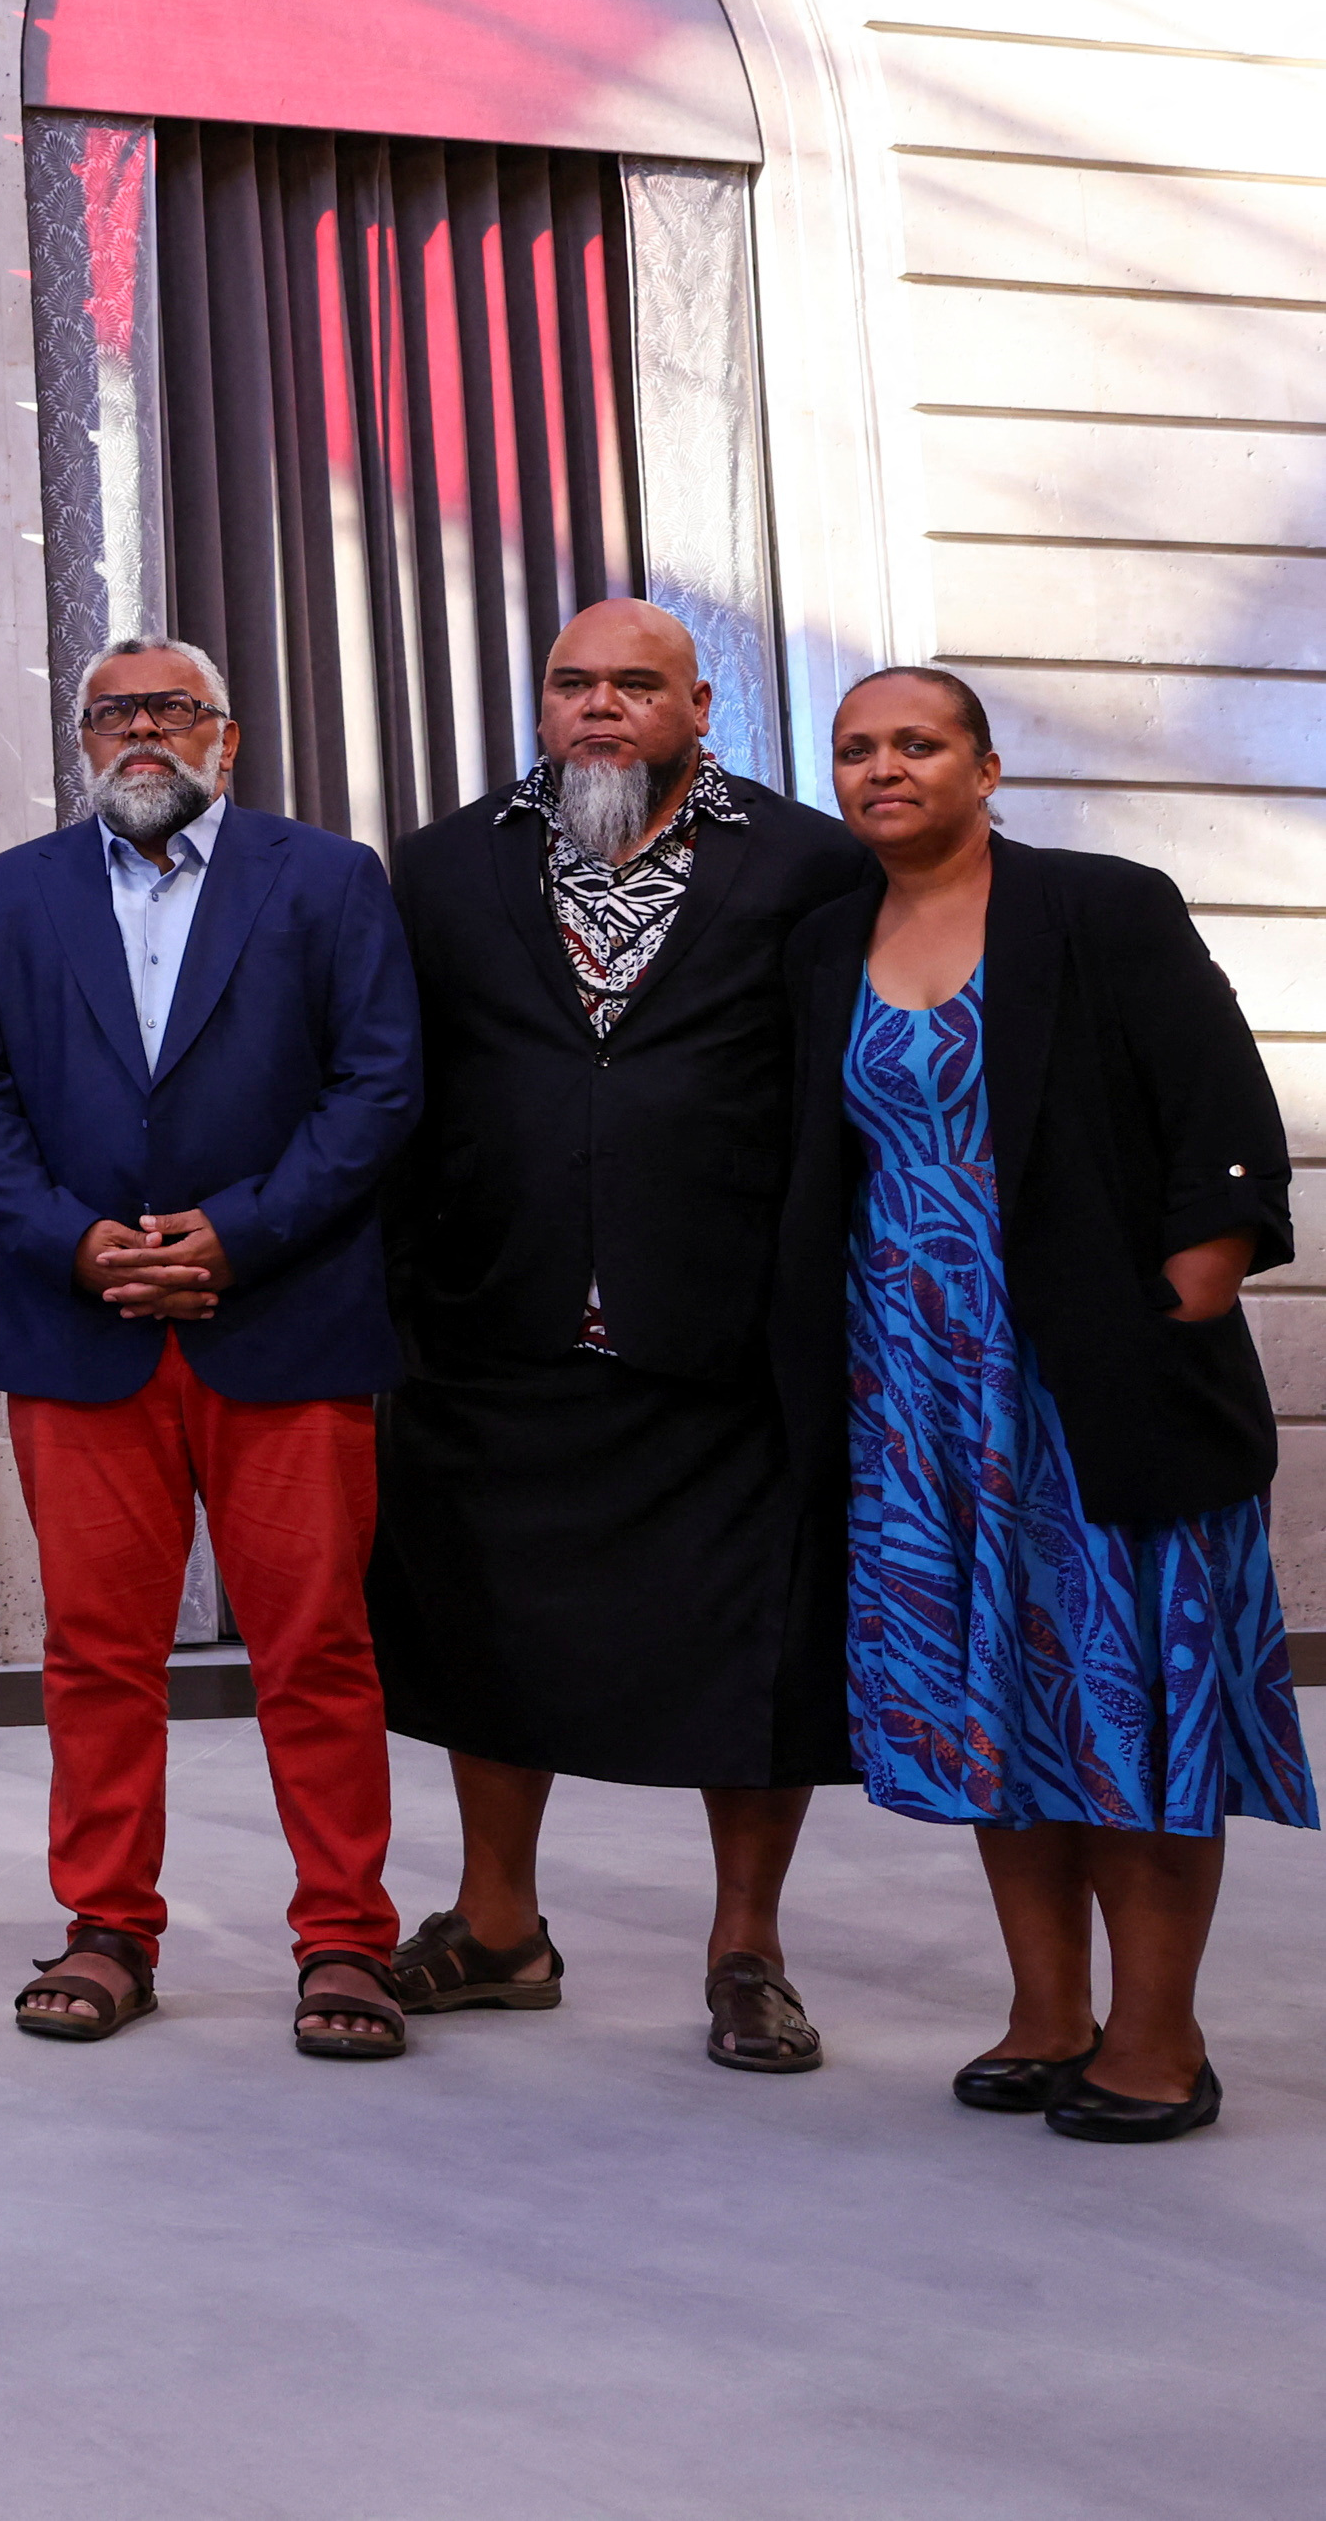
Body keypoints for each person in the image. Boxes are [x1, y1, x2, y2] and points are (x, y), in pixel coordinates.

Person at [788, 664, 1303, 2143]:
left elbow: (1217, 1102)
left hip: (1099, 1374)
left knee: (1128, 1697)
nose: (886, 768)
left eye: (919, 743)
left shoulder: (1102, 906)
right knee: (995, 1699)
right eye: (858, 749)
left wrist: (1192, 1287)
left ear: (986, 766)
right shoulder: (829, 943)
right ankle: (1047, 2009)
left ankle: (1158, 2032)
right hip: (918, 1394)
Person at [373, 600, 879, 2073]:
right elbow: (408, 1084)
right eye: (571, 685)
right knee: (491, 1631)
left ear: (699, 704)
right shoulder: (442, 863)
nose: (600, 708)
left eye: (634, 686)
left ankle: (748, 1952)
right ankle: (498, 1925)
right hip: (498, 1315)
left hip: (723, 1325)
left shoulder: (806, 862)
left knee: (753, 1649)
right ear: (540, 703)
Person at [0, 636, 424, 2063]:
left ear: (229, 733)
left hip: (286, 1320)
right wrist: (70, 1239)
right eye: (113, 713)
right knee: (96, 1652)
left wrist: (239, 1233)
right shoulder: (9, 896)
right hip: (79, 1329)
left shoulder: (327, 879)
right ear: (84, 738)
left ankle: (345, 1938)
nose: (142, 733)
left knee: (317, 1647)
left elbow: (378, 1084)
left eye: (172, 710)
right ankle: (107, 1929)